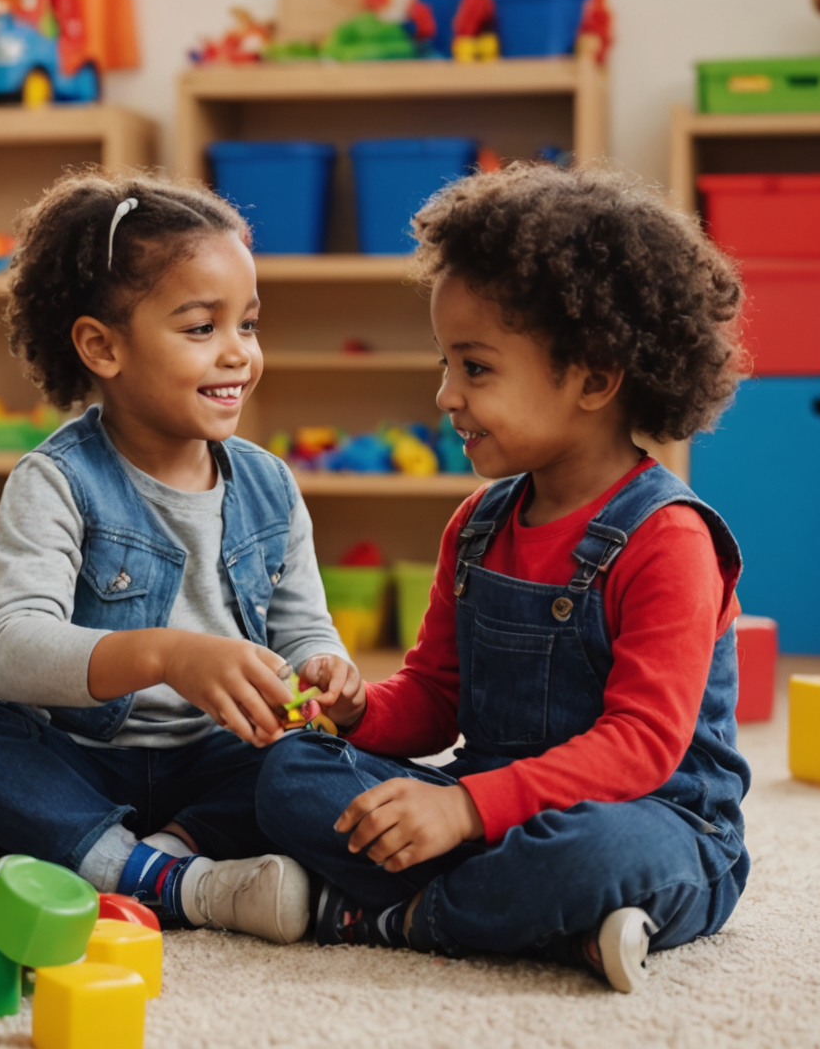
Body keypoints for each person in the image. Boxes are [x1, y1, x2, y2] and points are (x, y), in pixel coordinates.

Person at [258, 162, 751, 991]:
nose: (445, 394)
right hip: (488, 811)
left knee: (593, 856)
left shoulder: (669, 539)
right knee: (290, 773)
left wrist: (463, 810)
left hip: (655, 818)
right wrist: (358, 711)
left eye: (476, 368)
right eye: (445, 363)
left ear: (594, 376)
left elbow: (641, 747)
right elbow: (436, 694)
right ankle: (537, 925)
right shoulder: (478, 526)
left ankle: (399, 918)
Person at [0, 168, 351, 944]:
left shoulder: (271, 485)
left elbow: (303, 625)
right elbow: (13, 649)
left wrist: (324, 668)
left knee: (319, 761)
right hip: (82, 757)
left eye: (248, 325)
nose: (239, 354)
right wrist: (167, 655)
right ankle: (170, 882)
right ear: (102, 347)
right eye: (202, 328)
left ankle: (126, 858)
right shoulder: (56, 480)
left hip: (219, 763)